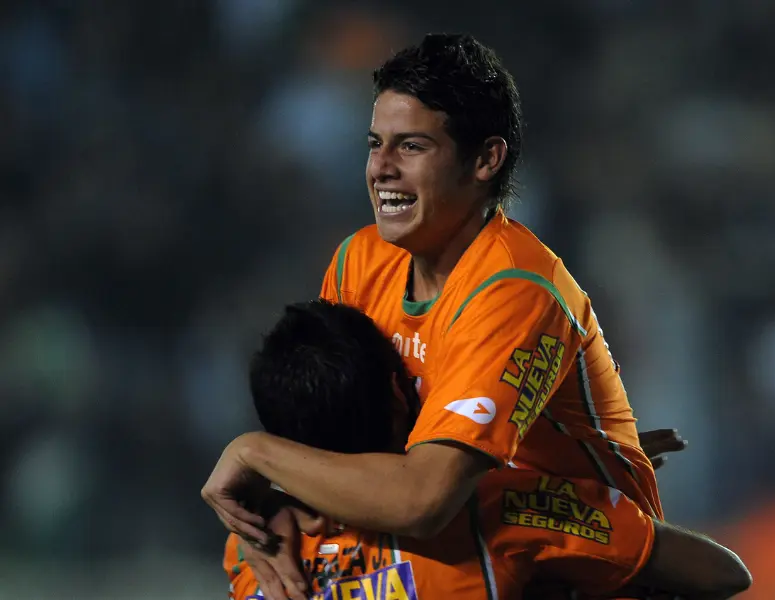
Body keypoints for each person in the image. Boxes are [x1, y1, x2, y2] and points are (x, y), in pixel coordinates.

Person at [203, 33, 668, 599]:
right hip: (436, 553)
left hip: (566, 574)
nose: (381, 168)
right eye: (375, 144)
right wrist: (273, 504)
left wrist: (253, 454)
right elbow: (334, 440)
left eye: (412, 147)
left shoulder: (515, 288)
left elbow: (422, 502)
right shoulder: (360, 260)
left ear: (485, 160)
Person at [223, 300, 750, 600]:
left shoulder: (253, 551)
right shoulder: (496, 508)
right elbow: (722, 573)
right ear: (394, 391)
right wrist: (580, 483)